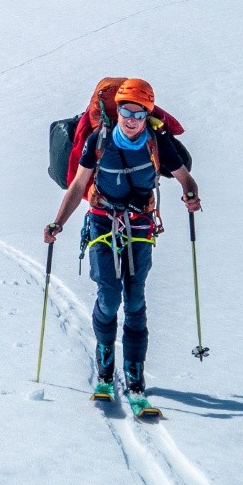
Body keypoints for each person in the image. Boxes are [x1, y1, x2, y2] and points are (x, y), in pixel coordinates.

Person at [44, 78, 199, 399]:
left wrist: (191, 195)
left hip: (141, 224)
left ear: (147, 115)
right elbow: (77, 186)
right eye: (126, 111)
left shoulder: (158, 142)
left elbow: (185, 177)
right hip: (101, 221)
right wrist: (57, 223)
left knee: (136, 297)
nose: (131, 119)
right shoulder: (99, 140)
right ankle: (104, 361)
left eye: (139, 113)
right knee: (110, 294)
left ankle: (134, 374)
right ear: (119, 112)